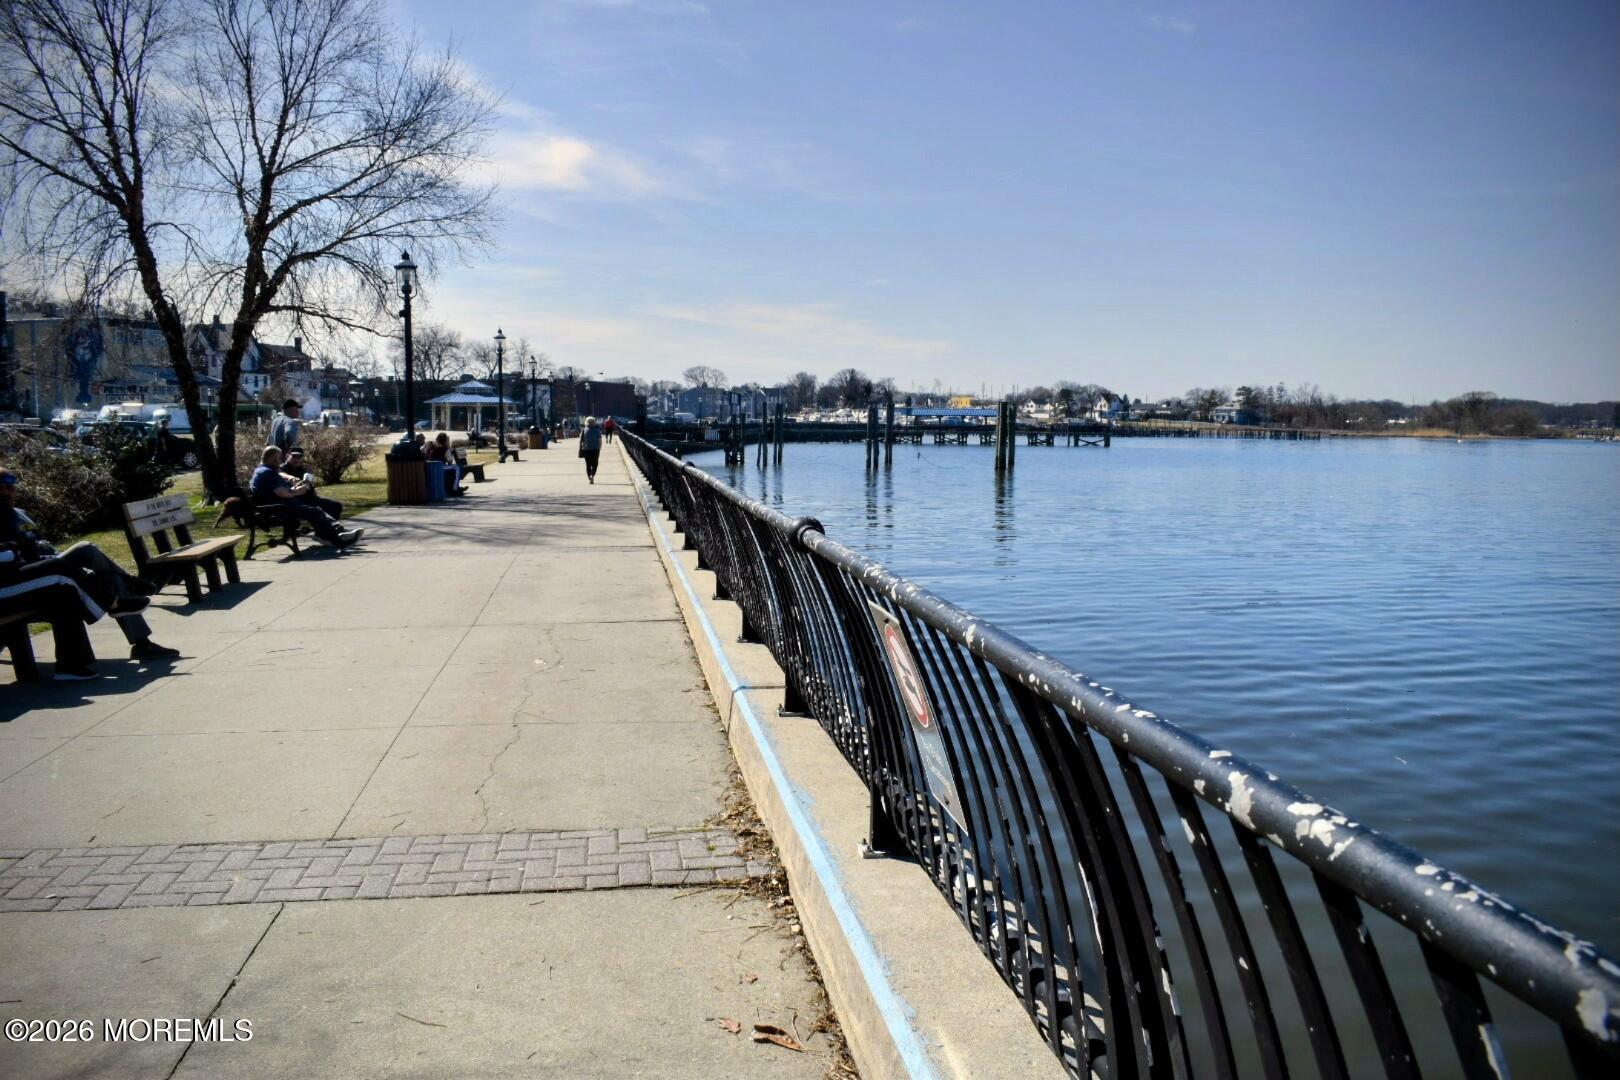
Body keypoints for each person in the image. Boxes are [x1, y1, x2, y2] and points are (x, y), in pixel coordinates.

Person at [0, 468, 180, 671]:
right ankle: (125, 588)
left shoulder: (20, 514)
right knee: (90, 557)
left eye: (10, 487)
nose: (7, 491)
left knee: (104, 569)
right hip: (34, 576)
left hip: (50, 564)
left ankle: (142, 643)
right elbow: (17, 559)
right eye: (1, 488)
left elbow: (41, 545)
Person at [250, 447, 363, 549]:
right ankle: (339, 542)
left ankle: (333, 534)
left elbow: (280, 490)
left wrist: (296, 488)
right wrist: (297, 491)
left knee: (317, 508)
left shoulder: (263, 470)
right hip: (279, 509)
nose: (280, 461)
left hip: (278, 506)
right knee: (316, 512)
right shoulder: (267, 472)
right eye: (279, 458)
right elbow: (282, 493)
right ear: (271, 458)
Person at [280, 448, 345, 519]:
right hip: (296, 501)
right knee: (317, 511)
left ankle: (332, 524)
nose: (297, 459)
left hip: (309, 498)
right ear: (287, 456)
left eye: (300, 457)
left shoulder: (301, 470)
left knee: (336, 505)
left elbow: (309, 487)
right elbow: (282, 475)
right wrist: (292, 479)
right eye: (294, 456)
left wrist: (310, 487)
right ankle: (327, 524)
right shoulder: (282, 468)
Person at [579, 416, 603, 484]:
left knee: (588, 464)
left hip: (586, 449)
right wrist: (600, 447)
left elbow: (581, 441)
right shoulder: (597, 430)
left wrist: (582, 447)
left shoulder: (583, 430)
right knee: (595, 463)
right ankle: (592, 475)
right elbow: (600, 440)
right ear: (594, 422)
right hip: (595, 449)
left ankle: (589, 476)